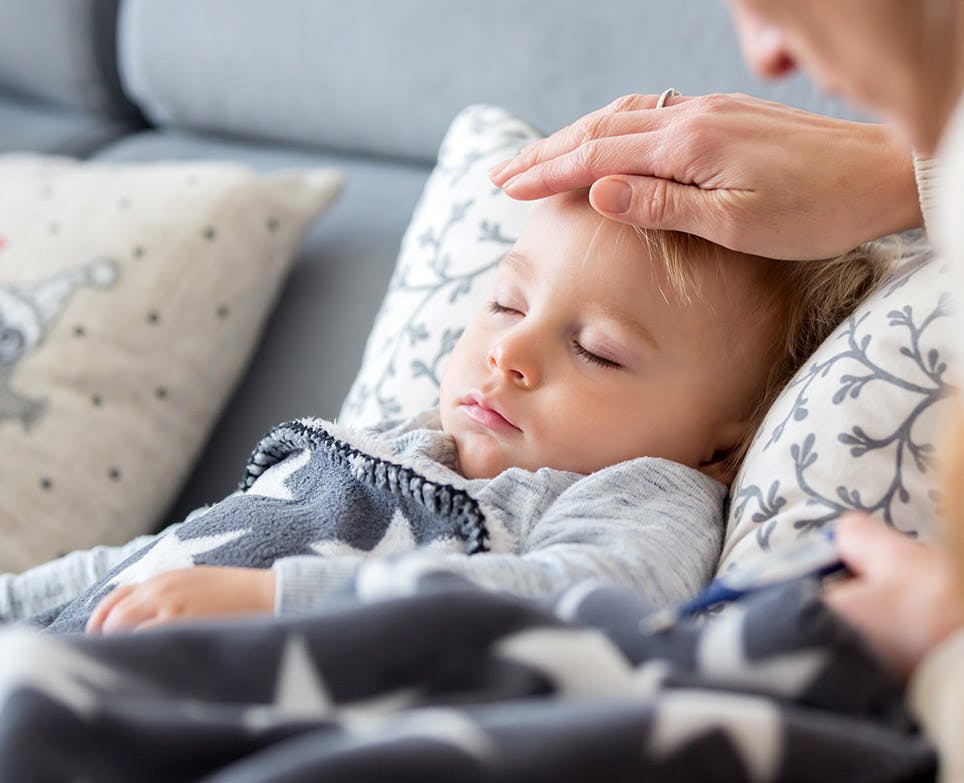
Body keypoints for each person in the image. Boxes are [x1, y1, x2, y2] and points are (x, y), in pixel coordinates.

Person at [0, 188, 890, 637]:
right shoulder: (390, 438)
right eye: (506, 304)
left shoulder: (638, 495)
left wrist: (280, 600)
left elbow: (586, 602)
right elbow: (164, 552)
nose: (510, 352)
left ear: (720, 448)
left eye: (598, 350)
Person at [491, 1, 964, 780]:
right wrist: (901, 171)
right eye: (502, 303)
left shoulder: (643, 510)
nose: (764, 55)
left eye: (599, 351)